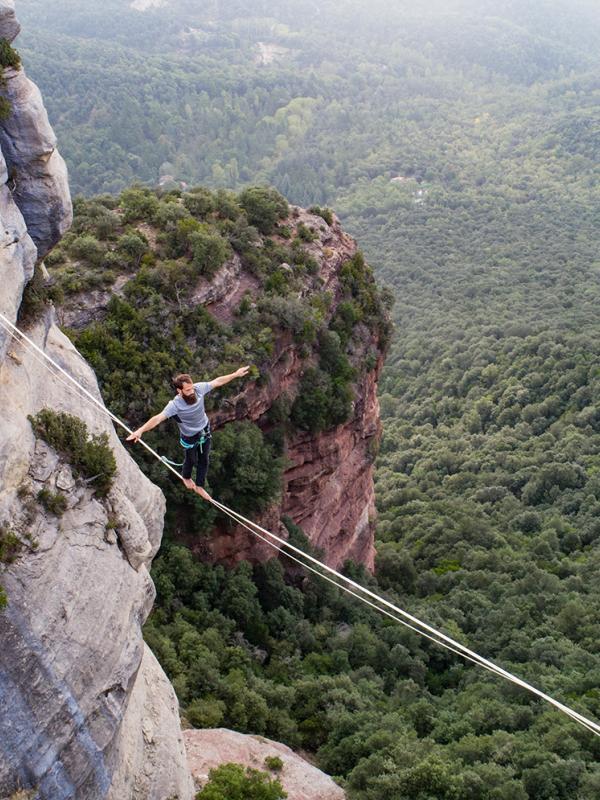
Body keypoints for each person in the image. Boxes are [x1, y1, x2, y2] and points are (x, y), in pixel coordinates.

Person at [126, 367, 250, 499]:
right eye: (188, 390)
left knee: (204, 460)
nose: (192, 392)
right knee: (191, 460)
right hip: (189, 436)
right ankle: (186, 477)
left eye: (191, 388)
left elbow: (217, 381)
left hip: (204, 429)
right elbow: (158, 418)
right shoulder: (175, 405)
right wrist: (140, 431)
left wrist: (235, 374)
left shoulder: (198, 389)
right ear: (179, 391)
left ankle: (200, 486)